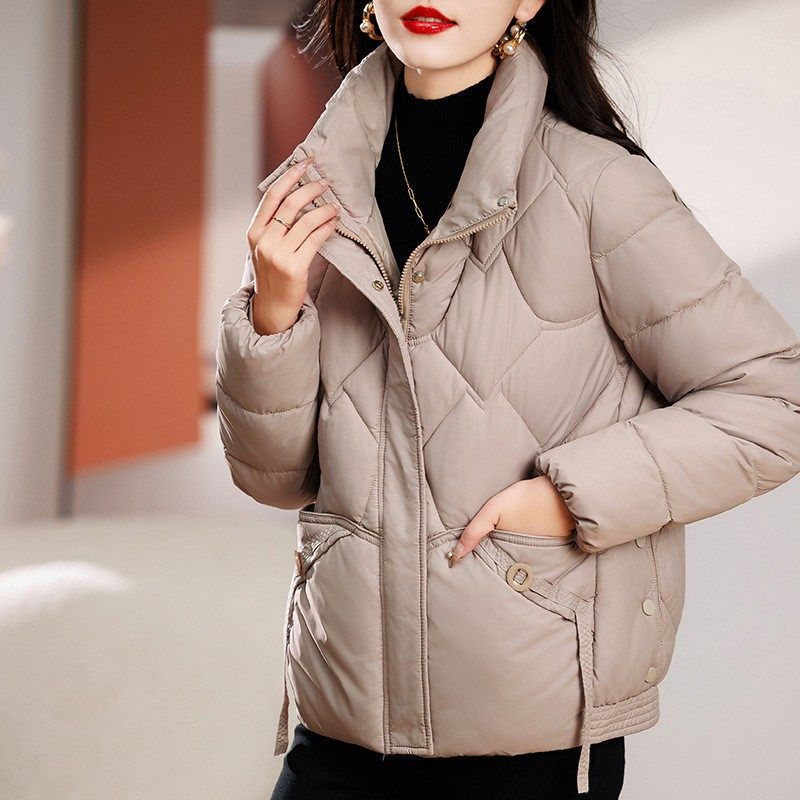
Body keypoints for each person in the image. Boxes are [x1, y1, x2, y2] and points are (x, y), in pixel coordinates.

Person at [215, 1, 800, 798]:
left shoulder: (596, 185)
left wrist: (569, 495)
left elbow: (776, 400)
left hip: (530, 739)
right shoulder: (314, 189)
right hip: (339, 722)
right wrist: (273, 315)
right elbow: (275, 477)